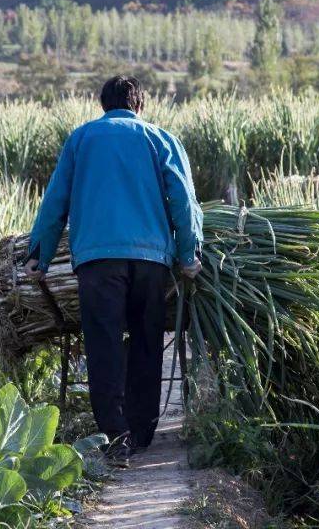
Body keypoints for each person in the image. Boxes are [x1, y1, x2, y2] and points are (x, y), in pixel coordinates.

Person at [23, 75, 203, 466]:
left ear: (103, 105)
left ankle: (114, 437)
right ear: (140, 105)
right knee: (146, 341)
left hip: (97, 260)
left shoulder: (81, 139)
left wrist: (40, 254)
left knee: (103, 344)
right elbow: (183, 201)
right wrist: (189, 255)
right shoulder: (160, 139)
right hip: (151, 261)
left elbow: (56, 200)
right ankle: (142, 433)